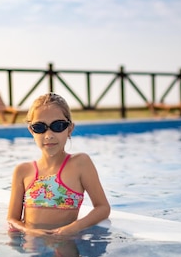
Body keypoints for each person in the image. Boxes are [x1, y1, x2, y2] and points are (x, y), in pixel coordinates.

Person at [7, 92, 110, 236]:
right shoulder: (23, 171)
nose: (49, 135)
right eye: (40, 128)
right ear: (31, 131)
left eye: (58, 125)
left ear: (70, 129)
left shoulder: (80, 163)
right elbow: (12, 219)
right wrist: (28, 230)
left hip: (64, 242)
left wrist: (74, 227)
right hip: (30, 243)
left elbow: (103, 208)